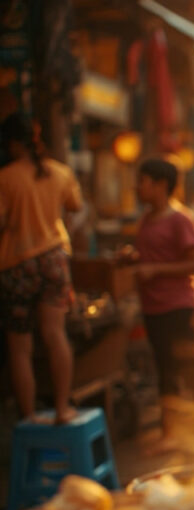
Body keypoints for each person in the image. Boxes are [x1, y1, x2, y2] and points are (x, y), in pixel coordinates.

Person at [120, 158, 194, 447]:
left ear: (161, 185)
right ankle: (170, 434)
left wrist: (154, 270)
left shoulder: (180, 218)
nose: (137, 187)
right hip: (153, 305)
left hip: (179, 304)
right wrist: (134, 259)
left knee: (188, 367)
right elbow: (156, 256)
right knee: (164, 368)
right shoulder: (147, 219)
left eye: (142, 181)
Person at [0, 114, 81, 424]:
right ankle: (62, 409)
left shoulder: (5, 177)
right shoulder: (60, 173)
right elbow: (74, 208)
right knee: (55, 334)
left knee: (20, 347)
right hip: (54, 259)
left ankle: (29, 414)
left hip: (16, 263)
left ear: (12, 143)